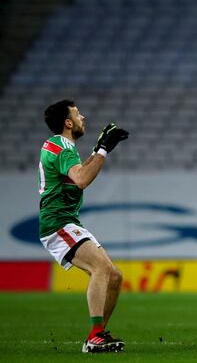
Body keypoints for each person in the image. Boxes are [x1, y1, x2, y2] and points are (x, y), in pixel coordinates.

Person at [38, 99, 129, 353]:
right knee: (101, 268)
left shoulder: (61, 146)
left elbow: (77, 172)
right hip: (57, 222)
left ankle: (97, 334)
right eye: (78, 115)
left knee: (114, 276)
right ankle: (95, 337)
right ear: (68, 123)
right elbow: (81, 179)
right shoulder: (62, 147)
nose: (83, 117)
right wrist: (102, 151)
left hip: (66, 221)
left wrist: (101, 149)